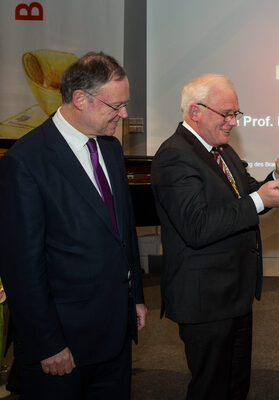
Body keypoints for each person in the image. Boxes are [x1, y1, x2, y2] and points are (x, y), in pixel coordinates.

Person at [151, 74, 279, 400]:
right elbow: (198, 227)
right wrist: (261, 199)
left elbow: (247, 195)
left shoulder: (220, 151)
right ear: (195, 112)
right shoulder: (175, 155)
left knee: (235, 386)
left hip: (233, 294)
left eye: (236, 114)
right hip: (204, 300)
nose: (233, 122)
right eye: (226, 113)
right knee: (211, 388)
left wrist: (276, 178)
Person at [0, 52, 147, 399]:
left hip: (114, 334)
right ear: (80, 99)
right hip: (62, 343)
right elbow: (22, 267)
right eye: (117, 105)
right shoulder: (26, 161)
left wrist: (136, 298)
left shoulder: (110, 148)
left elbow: (123, 233)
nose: (124, 114)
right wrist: (46, 343)